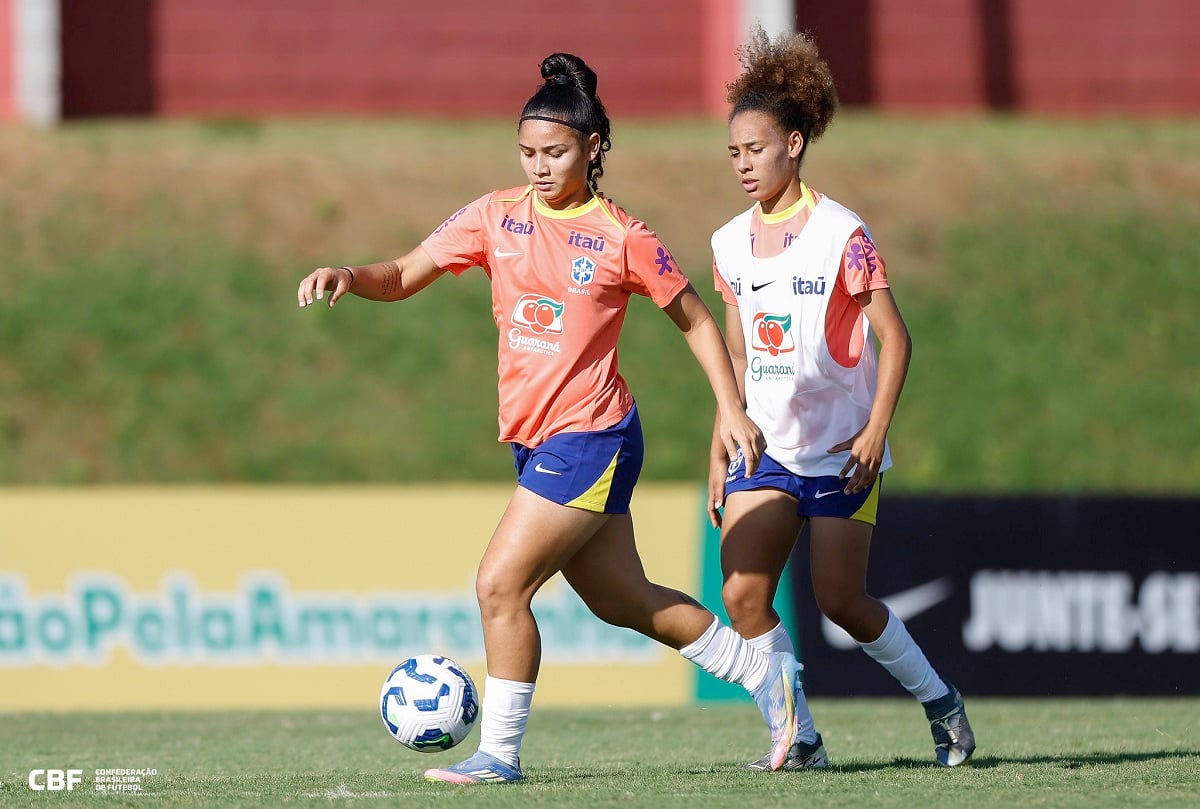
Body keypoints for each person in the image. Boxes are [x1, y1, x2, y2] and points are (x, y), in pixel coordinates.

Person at [297, 53, 803, 784]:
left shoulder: (623, 235)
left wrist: (730, 409)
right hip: (539, 442)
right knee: (624, 601)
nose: (538, 166)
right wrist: (350, 275)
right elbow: (406, 273)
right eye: (528, 153)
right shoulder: (493, 215)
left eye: (555, 152)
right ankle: (765, 673)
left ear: (592, 147)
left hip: (592, 436)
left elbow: (694, 318)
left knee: (499, 585)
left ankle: (499, 753)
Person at [706, 27, 976, 770]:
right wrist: (720, 437)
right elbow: (734, 351)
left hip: (840, 450)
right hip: (765, 446)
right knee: (743, 593)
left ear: (794, 144)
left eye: (755, 149)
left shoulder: (841, 233)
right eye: (733, 153)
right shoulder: (729, 243)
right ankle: (799, 736)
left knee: (841, 601)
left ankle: (942, 702)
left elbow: (897, 337)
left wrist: (874, 429)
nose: (743, 165)